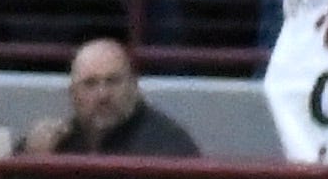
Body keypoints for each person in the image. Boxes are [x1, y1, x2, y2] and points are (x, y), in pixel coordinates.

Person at [17, 37, 207, 161]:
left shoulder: (167, 145)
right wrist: (32, 159)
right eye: (90, 84)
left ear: (134, 86)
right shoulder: (57, 142)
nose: (103, 95)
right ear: (72, 94)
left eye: (113, 81)